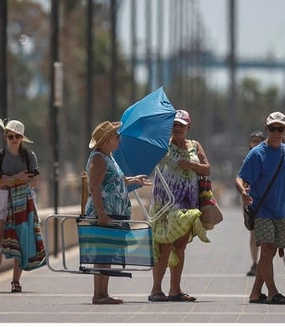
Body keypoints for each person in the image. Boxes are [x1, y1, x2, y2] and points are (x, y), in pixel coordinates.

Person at [85, 121, 151, 305]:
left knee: (107, 252)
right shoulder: (98, 158)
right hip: (104, 214)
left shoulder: (108, 157)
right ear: (107, 140)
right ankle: (99, 294)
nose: (118, 138)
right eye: (116, 136)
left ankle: (103, 293)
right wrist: (101, 214)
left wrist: (133, 180)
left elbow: (115, 181)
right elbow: (94, 187)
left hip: (114, 213)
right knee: (102, 253)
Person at [148, 109, 210, 302]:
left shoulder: (194, 146)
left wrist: (191, 165)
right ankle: (156, 290)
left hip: (188, 203)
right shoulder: (162, 146)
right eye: (174, 125)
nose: (177, 128)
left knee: (181, 245)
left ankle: (175, 290)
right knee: (165, 244)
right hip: (165, 204)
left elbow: (207, 168)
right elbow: (150, 165)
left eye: (181, 125)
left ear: (188, 127)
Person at [236, 111, 285, 305]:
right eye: (272, 128)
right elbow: (240, 178)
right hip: (262, 211)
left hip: (281, 212)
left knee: (269, 254)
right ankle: (272, 292)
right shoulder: (257, 153)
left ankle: (255, 293)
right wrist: (243, 193)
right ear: (266, 129)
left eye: (280, 129)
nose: (276, 132)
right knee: (267, 249)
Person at [0, 118, 41, 294]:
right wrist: (18, 178)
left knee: (21, 239)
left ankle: (16, 281)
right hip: (3, 201)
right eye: (11, 136)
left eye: (17, 136)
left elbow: (35, 182)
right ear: (5, 136)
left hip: (23, 201)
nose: (14, 139)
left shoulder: (29, 156)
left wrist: (10, 180)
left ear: (22, 138)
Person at [244, 130, 265, 277]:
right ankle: (255, 262)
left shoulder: (268, 156)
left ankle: (264, 262)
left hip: (267, 200)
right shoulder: (248, 159)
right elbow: (242, 181)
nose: (256, 142)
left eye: (259, 140)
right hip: (252, 201)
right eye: (254, 140)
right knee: (253, 232)